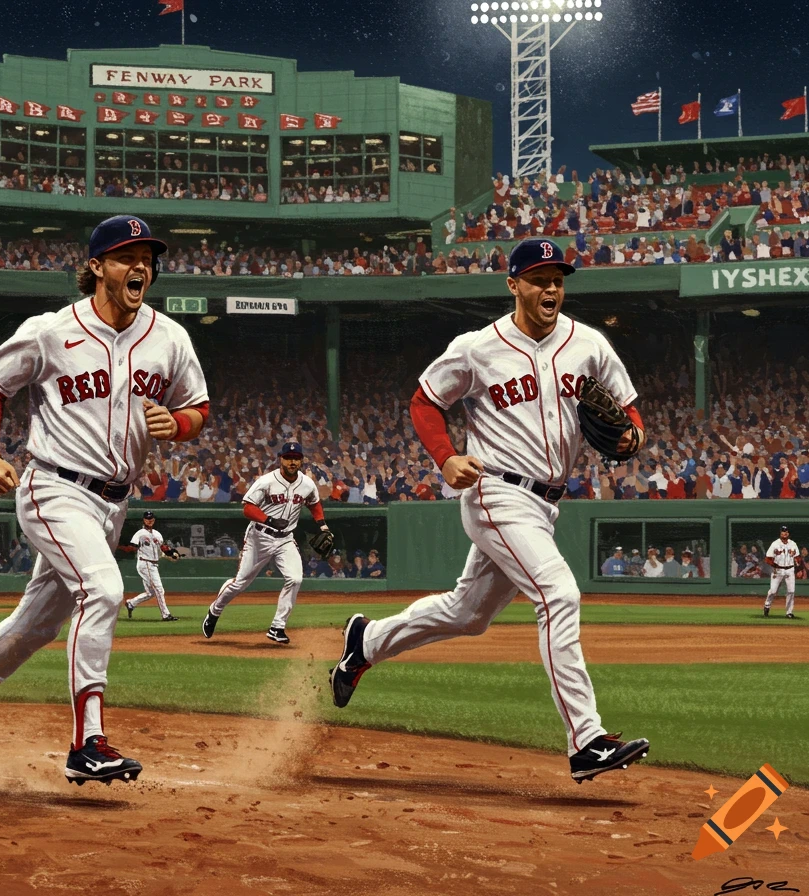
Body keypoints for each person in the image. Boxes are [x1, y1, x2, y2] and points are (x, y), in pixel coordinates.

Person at [330, 238, 650, 784]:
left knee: (468, 614)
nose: (550, 288)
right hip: (495, 491)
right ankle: (586, 739)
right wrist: (447, 457)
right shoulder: (479, 347)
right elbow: (425, 400)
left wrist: (632, 439)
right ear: (514, 285)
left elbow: (629, 413)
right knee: (559, 594)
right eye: (538, 278)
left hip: (547, 503)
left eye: (558, 279)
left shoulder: (589, 345)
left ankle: (366, 642)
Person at [0, 214, 209, 785]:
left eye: (147, 256)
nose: (140, 265)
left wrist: (180, 421)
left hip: (112, 504)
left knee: (33, 630)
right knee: (103, 588)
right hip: (53, 487)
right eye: (127, 255)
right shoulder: (52, 330)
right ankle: (87, 741)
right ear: (97, 267)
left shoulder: (170, 338)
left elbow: (199, 407)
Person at [203, 442, 331, 645]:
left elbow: (314, 503)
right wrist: (268, 520)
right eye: (288, 457)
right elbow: (247, 508)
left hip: (286, 539)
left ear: (301, 460)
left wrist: (322, 526)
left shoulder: (307, 484)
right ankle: (215, 610)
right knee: (240, 583)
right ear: (280, 459)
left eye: (296, 457)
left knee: (295, 579)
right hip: (259, 537)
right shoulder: (267, 481)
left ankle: (277, 627)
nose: (292, 461)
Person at [121, 510, 180, 621]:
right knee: (159, 589)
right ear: (144, 520)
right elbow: (132, 547)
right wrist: (121, 547)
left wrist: (171, 553)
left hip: (153, 564)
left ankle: (131, 603)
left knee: (151, 593)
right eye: (148, 518)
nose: (150, 520)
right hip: (145, 563)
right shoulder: (140, 533)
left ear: (154, 520)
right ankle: (166, 615)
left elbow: (162, 548)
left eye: (151, 518)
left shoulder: (157, 534)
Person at [763, 525, 800, 618]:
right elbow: (767, 559)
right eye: (783, 531)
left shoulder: (793, 544)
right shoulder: (775, 544)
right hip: (778, 570)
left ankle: (789, 612)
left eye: (786, 531)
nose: (785, 533)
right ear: (780, 533)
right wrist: (774, 565)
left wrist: (798, 565)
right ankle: (767, 605)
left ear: (788, 533)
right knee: (773, 591)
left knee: (791, 591)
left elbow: (798, 557)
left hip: (790, 569)